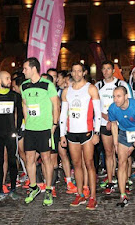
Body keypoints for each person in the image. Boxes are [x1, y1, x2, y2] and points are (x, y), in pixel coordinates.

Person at [60, 62, 101, 210]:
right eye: (74, 71)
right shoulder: (66, 91)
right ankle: (80, 194)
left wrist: (97, 132)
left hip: (87, 132)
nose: (76, 74)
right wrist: (62, 134)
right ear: (71, 73)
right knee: (76, 164)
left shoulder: (91, 88)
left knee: (89, 164)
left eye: (79, 71)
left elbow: (98, 112)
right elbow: (63, 114)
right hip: (72, 133)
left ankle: (93, 197)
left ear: (84, 73)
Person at [21, 57, 59, 206]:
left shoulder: (47, 85)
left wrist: (54, 124)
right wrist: (27, 121)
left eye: (25, 68)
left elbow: (56, 105)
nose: (23, 71)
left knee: (46, 159)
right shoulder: (24, 86)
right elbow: (24, 104)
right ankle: (33, 187)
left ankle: (48, 189)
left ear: (33, 69)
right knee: (29, 159)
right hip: (30, 129)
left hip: (44, 129)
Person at [95, 60, 131, 194]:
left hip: (121, 124)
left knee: (123, 155)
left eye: (108, 69)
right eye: (103, 69)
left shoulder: (121, 84)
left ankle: (126, 181)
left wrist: (114, 118)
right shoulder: (98, 85)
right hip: (105, 123)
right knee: (108, 153)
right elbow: (95, 105)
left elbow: (128, 103)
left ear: (113, 70)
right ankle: (110, 181)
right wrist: (105, 117)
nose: (106, 71)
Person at [0, 71, 23, 202]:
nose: (9, 81)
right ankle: (0, 190)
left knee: (13, 161)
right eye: (7, 78)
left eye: (9, 78)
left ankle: (13, 189)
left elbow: (20, 114)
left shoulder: (15, 96)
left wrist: (17, 128)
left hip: (11, 134)